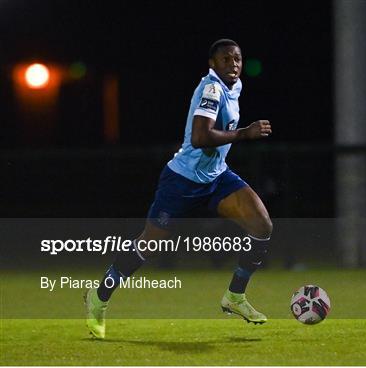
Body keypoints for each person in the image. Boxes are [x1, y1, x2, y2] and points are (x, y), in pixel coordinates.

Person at [85, 39, 273, 339]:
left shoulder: (233, 88)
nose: (233, 64)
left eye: (237, 58)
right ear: (212, 64)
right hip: (182, 181)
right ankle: (99, 297)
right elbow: (200, 137)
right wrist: (243, 133)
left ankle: (235, 297)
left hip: (215, 178)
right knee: (148, 244)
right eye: (225, 59)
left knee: (261, 225)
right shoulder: (211, 89)